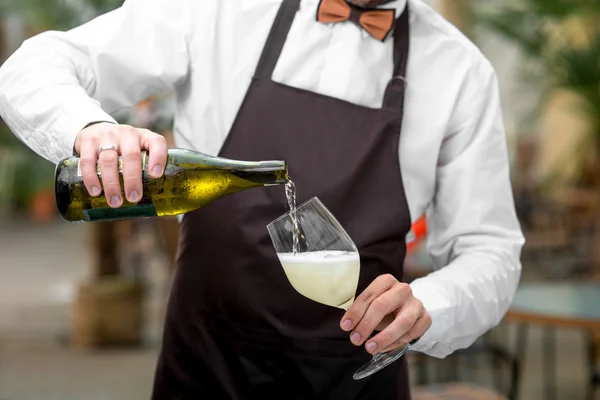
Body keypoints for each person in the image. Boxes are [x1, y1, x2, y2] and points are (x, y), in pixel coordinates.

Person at [0, 0, 525, 398]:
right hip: (207, 364)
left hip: (354, 380)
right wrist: (90, 128)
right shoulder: (220, 9)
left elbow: (491, 252)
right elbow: (34, 67)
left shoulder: (460, 72)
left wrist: (430, 304)